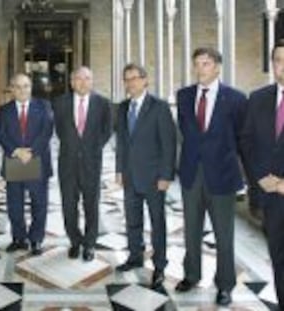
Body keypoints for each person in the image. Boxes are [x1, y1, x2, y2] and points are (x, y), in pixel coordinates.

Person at [175, 47, 246, 306]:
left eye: (205, 64)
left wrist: (244, 179)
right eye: (197, 64)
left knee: (223, 235)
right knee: (191, 231)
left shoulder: (236, 99)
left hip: (223, 177)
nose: (200, 69)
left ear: (217, 67)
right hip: (191, 175)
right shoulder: (183, 96)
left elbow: (241, 139)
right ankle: (191, 275)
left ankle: (225, 285)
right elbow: (186, 133)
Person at [115, 63, 176, 289]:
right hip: (130, 176)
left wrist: (166, 175)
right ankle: (135, 256)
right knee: (133, 221)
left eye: (134, 78)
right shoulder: (122, 108)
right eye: (127, 79)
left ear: (144, 80)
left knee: (157, 222)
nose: (130, 83)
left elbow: (169, 144)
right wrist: (119, 170)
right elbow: (122, 143)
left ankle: (159, 266)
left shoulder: (159, 107)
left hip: (153, 177)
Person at [241, 39, 284, 310]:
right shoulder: (258, 98)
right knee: (278, 257)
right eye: (279, 60)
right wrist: (261, 178)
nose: (283, 66)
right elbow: (246, 142)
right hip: (271, 198)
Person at [52, 67, 111, 261]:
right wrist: (73, 146)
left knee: (91, 204)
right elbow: (60, 131)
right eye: (78, 79)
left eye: (87, 78)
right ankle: (75, 241)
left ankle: (90, 244)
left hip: (91, 163)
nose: (83, 82)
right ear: (71, 82)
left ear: (92, 81)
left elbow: (106, 131)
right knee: (69, 204)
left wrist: (92, 148)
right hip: (67, 162)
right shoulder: (59, 103)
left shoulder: (103, 103)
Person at [0, 73, 53, 256]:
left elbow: (46, 132)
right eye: (18, 86)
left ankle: (36, 239)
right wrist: (16, 151)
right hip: (14, 159)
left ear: (31, 87)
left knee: (39, 203)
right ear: (12, 89)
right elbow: (1, 134)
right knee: (15, 203)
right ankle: (18, 238)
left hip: (36, 159)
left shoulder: (44, 106)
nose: (23, 90)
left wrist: (31, 152)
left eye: (26, 86)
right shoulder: (4, 110)